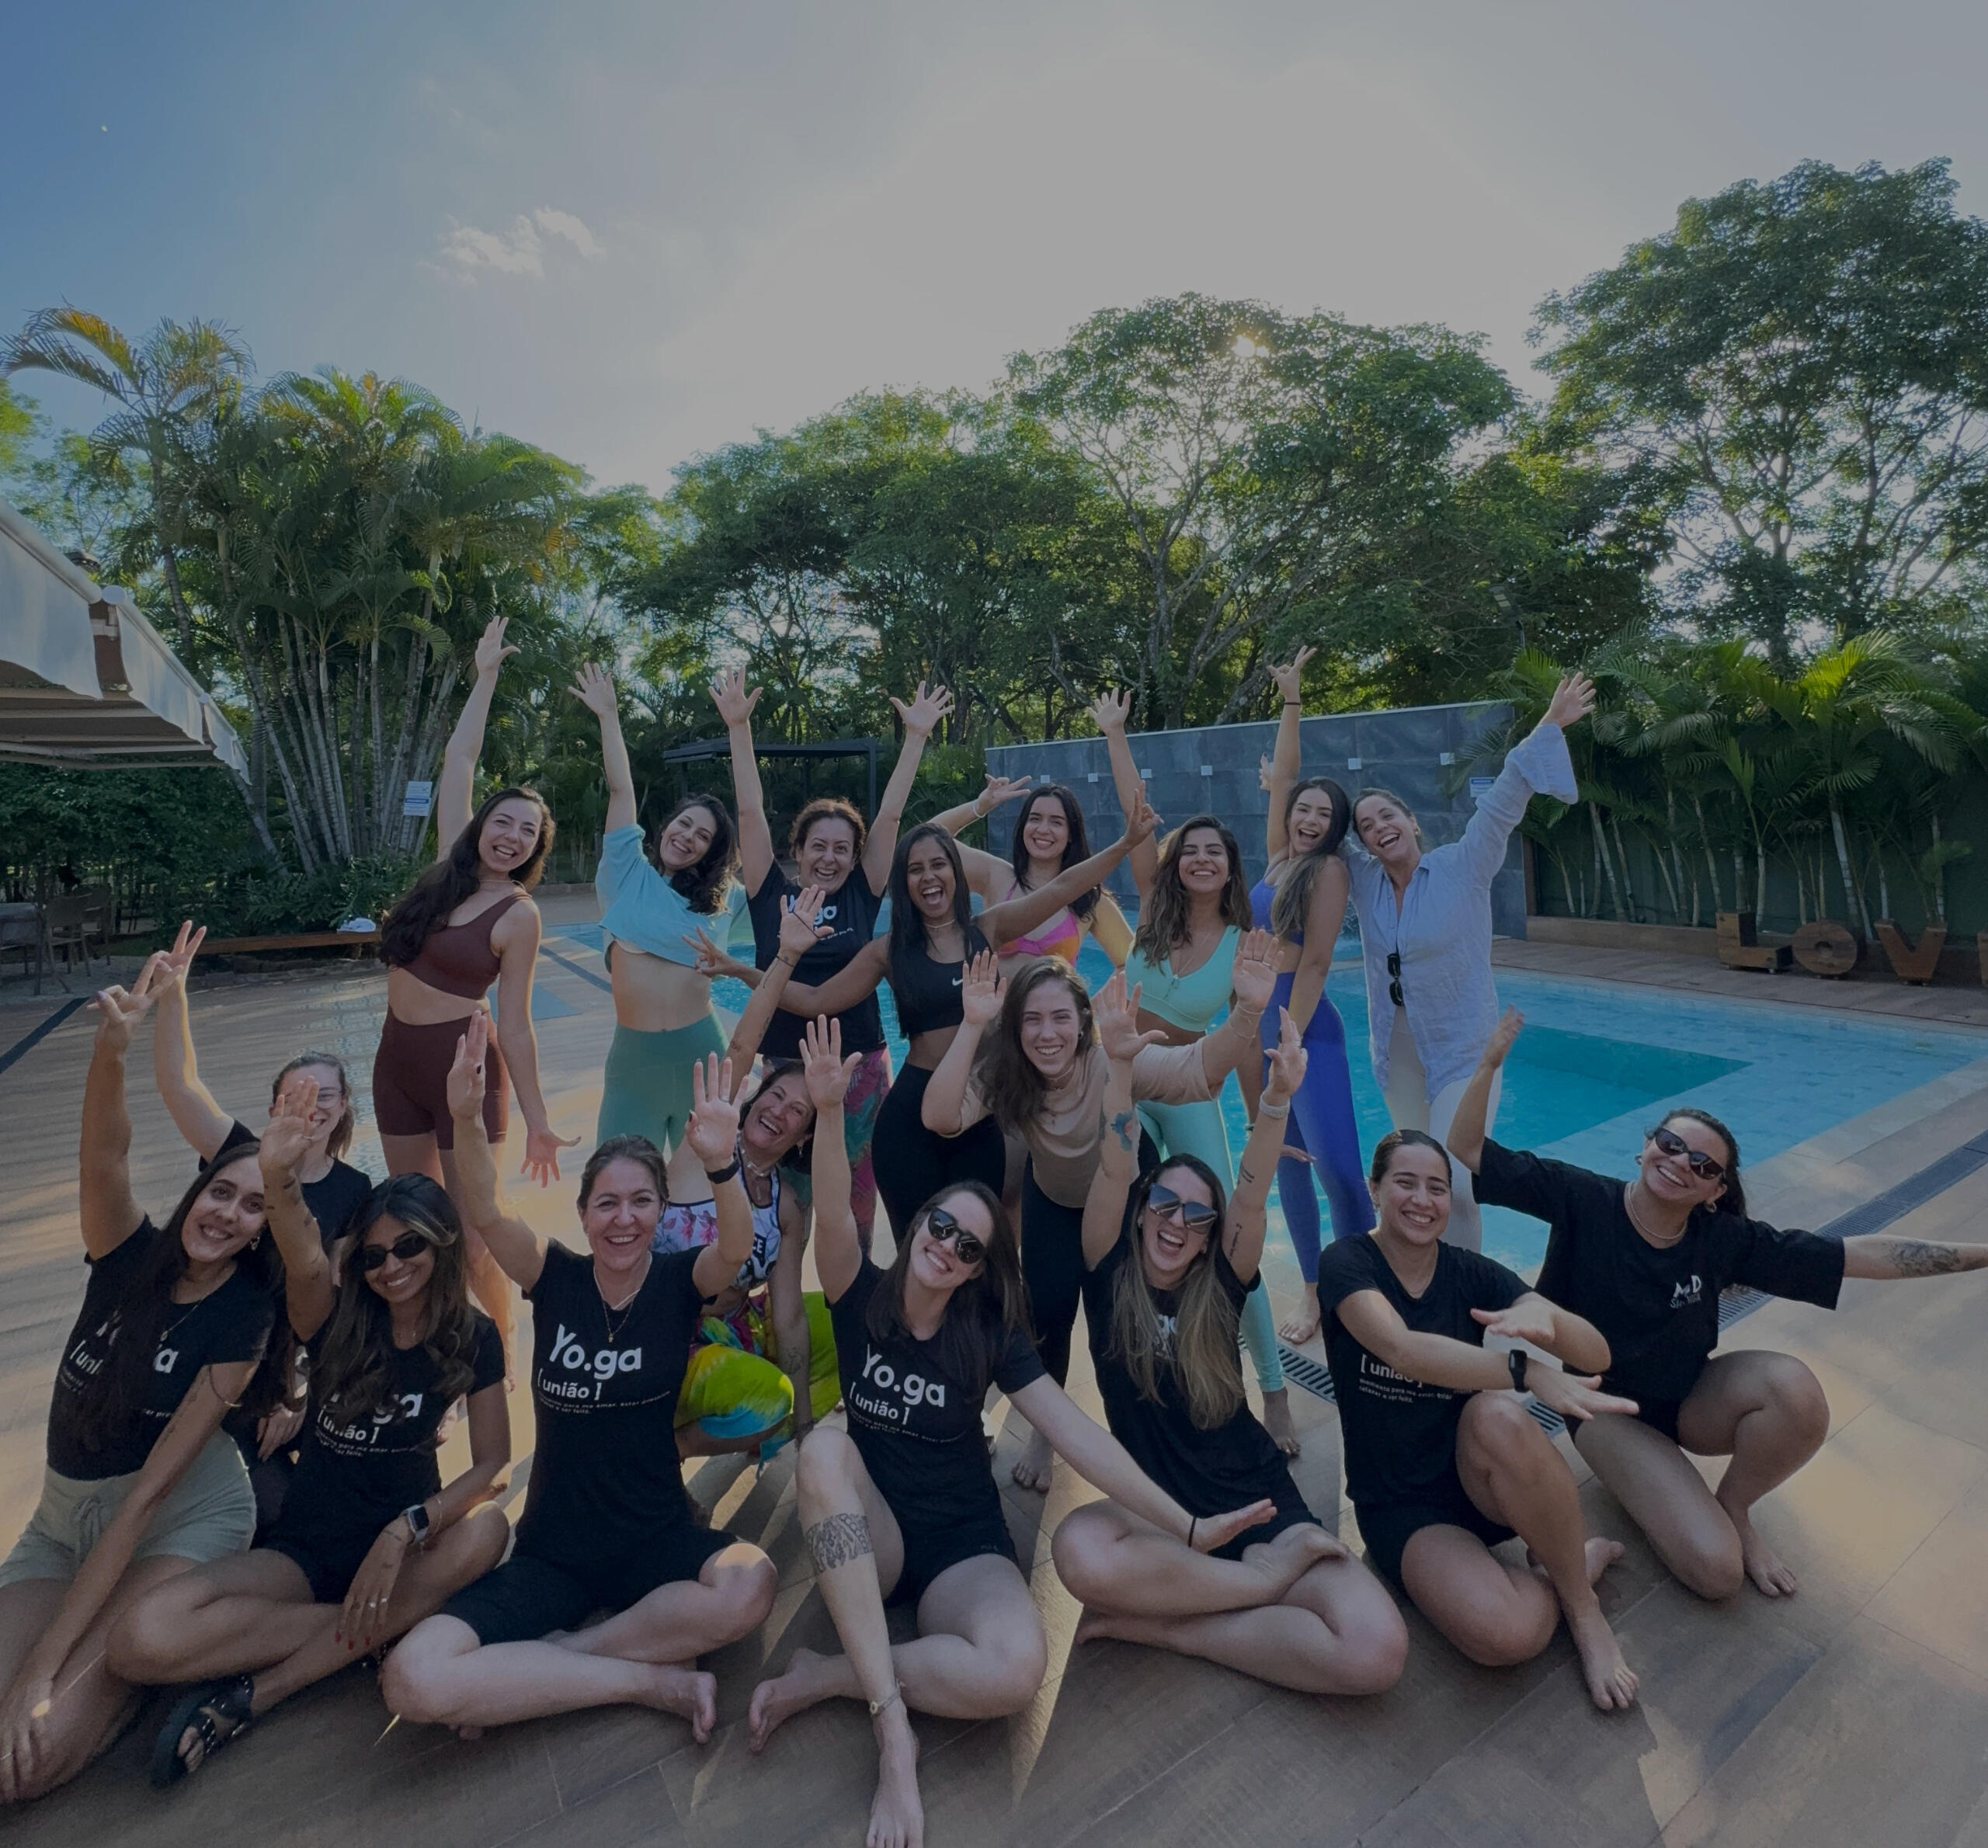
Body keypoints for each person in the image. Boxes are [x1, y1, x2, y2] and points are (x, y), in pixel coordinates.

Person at [746, 1017, 1277, 1848]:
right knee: (822, 1451)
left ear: (977, 1269)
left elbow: (1076, 1434)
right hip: (874, 1537)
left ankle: (832, 1674)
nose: (947, 1247)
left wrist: (1185, 1524)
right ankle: (891, 1728)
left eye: (969, 1246)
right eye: (939, 1226)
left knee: (1014, 1672)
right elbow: (837, 1218)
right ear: (916, 1224)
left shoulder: (989, 1333)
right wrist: (827, 1109)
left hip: (963, 1544)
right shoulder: (860, 1291)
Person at [1449, 1009, 1988, 1603]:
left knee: (1796, 1393)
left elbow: (1852, 1256)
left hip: (1692, 1398)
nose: (1682, 1162)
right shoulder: (1581, 1198)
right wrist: (1488, 1065)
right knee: (1717, 1573)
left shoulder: (1723, 1239)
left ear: (1715, 1191)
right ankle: (1666, 1492)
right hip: (1606, 1408)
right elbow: (1468, 1149)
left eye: (1703, 1165)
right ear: (1646, 1148)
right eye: (1671, 1145)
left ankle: (1735, 1505)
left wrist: (1982, 1254)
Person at [381, 1016, 777, 1741]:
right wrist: (465, 1119)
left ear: (661, 1212)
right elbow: (488, 1209)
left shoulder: (678, 1283)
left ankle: (557, 1660)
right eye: (607, 1203)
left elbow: (735, 1248)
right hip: (552, 1553)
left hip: (655, 1538)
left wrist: (722, 1165)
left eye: (641, 1202)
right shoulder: (554, 1277)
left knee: (752, 1584)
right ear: (584, 1213)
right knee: (411, 1676)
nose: (624, 1220)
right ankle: (651, 1681)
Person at [110, 1082, 511, 1786]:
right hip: (307, 1550)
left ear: (441, 1244)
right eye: (374, 1256)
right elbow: (303, 1255)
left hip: (404, 1545)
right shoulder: (335, 1315)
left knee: (489, 1532)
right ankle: (372, 1633)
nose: (391, 1268)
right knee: (140, 1638)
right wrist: (278, 1177)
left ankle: (259, 1694)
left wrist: (405, 1531)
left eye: (409, 1246)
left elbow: (493, 1464)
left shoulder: (473, 1336)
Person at [1050, 992, 1408, 1697]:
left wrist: (1275, 1102)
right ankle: (1252, 1588)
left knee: (1376, 1651)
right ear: (1141, 1209)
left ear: (1211, 1236)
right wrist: (1118, 1068)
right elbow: (1116, 1165)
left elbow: (1250, 1193)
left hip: (1258, 1506)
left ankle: (1169, 1626)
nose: (1176, 1222)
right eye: (1164, 1203)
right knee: (1077, 1549)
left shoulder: (1220, 1286)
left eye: (1197, 1215)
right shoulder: (1108, 1267)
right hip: (1160, 1515)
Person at [0, 969, 278, 1803]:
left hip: (174, 1518)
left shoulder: (243, 1320)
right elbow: (104, 1155)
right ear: (196, 1191)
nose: (227, 1212)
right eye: (220, 1190)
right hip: (61, 1524)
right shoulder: (127, 1256)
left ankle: (141, 1679)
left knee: (24, 1756)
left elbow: (149, 1497)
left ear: (264, 1232)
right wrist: (111, 1050)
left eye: (254, 1207)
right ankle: (115, 1659)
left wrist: (42, 1670)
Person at [704, 803, 1159, 1243]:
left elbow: (1062, 889)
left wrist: (1126, 843)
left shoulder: (989, 929)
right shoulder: (889, 950)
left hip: (977, 1108)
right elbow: (815, 999)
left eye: (939, 864)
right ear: (904, 883)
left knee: (976, 1242)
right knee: (916, 1248)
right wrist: (742, 970)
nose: (928, 876)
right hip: (911, 1117)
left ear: (956, 874)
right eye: (915, 869)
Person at [922, 947, 1278, 1492]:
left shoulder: (1111, 1059)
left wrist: (1249, 1009)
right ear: (1015, 1027)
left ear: (1083, 1021)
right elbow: (940, 1116)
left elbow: (1198, 1068)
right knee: (1048, 1318)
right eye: (1032, 1020)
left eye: (1060, 1017)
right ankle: (1046, 1434)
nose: (1047, 1034)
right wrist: (973, 1025)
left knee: (1126, 1319)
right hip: (1055, 1203)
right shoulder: (1009, 1072)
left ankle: (1164, 1430)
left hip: (1129, 1201)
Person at [1316, 1124, 1642, 1712]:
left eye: (1437, 1188)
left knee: (1497, 1416)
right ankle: (1574, 1562)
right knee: (1509, 1637)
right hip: (1402, 1506)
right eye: (1405, 1183)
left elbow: (1597, 1356)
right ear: (1375, 1189)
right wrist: (1527, 1370)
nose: (1422, 1200)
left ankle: (1584, 1608)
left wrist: (1550, 1320)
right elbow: (1402, 1350)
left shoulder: (1471, 1273)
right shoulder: (1348, 1263)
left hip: (1481, 1480)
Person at [1093, 691, 1298, 1443]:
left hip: (1182, 1085)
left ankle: (1273, 1389)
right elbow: (1137, 813)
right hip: (1116, 1072)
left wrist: (1265, 1115)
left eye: (1216, 851)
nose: (1202, 858)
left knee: (1232, 1234)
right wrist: (1116, 733)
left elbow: (1241, 1040)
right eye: (1192, 850)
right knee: (1106, 1222)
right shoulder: (1152, 904)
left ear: (1229, 867)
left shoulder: (1246, 943)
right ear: (1176, 863)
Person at [373, 615, 576, 1356]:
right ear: (484, 822)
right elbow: (460, 755)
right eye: (505, 821)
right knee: (414, 1221)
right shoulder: (445, 869)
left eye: (528, 833)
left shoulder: (518, 915)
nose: (512, 836)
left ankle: (500, 1342)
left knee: (475, 1228)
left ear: (534, 851)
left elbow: (516, 1023)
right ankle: (439, 1343)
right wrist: (484, 675)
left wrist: (539, 1119)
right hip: (397, 1063)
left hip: (464, 1071)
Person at [1341, 672, 1594, 1252]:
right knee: (1410, 1178)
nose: (1379, 828)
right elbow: (1315, 832)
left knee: (1453, 1182)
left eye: (1387, 816)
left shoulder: (1463, 865)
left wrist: (1549, 722)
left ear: (1412, 822)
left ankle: (1462, 1282)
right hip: (1397, 1052)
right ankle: (1414, 1273)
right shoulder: (1364, 882)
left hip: (1463, 1050)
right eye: (1367, 826)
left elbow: (1504, 798)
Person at [147, 919, 376, 1531]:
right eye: (296, 1097)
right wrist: (174, 998)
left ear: (344, 1108)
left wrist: (302, 1398)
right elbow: (180, 1085)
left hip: (275, 1372)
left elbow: (339, 1306)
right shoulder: (240, 1154)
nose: (311, 1108)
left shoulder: (355, 1191)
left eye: (325, 1096)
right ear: (276, 1106)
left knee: (288, 1516)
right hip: (202, 1347)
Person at [716, 666, 953, 1248]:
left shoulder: (861, 892)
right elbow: (749, 813)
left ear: (855, 856)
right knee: (786, 1202)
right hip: (783, 1067)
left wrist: (916, 737)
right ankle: (780, 1292)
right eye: (818, 846)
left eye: (842, 849)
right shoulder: (770, 894)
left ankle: (855, 1293)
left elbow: (891, 816)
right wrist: (739, 730)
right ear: (797, 851)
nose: (829, 858)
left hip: (859, 1066)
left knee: (857, 1199)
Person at [665, 891, 841, 1457]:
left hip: (739, 1326)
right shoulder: (705, 1150)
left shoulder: (787, 1204)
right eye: (775, 1096)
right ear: (753, 1098)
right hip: (667, 1337)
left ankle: (775, 1429)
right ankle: (662, 1455)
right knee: (768, 1398)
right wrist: (786, 957)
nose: (779, 1112)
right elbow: (742, 1045)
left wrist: (806, 1425)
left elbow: (787, 1315)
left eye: (798, 1112)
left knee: (849, 1322)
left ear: (805, 1136)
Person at [1250, 648, 1374, 1340]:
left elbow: (1318, 962)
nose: (1308, 818)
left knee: (1341, 1173)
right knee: (1287, 1167)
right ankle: (1314, 1291)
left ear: (1335, 826)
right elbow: (1286, 775)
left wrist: (1287, 1044)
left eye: (1323, 814)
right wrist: (1291, 701)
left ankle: (1365, 1291)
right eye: (1302, 809)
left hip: (1305, 1035)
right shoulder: (1278, 857)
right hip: (1265, 1032)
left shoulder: (1328, 873)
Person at [575, 660, 741, 1155]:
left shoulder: (721, 902)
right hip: (635, 1064)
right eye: (683, 824)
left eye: (703, 836)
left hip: (703, 1058)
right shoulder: (626, 873)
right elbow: (621, 790)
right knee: (619, 1179)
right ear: (667, 825)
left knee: (709, 1190)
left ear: (710, 852)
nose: (687, 837)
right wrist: (609, 715)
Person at [931, 775, 1135, 967]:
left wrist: (1102, 995)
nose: (1043, 829)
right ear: (1023, 827)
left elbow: (1133, 965)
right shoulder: (996, 876)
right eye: (1035, 819)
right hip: (994, 995)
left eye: (1056, 822)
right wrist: (979, 807)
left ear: (1071, 834)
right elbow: (928, 841)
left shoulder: (1088, 898)